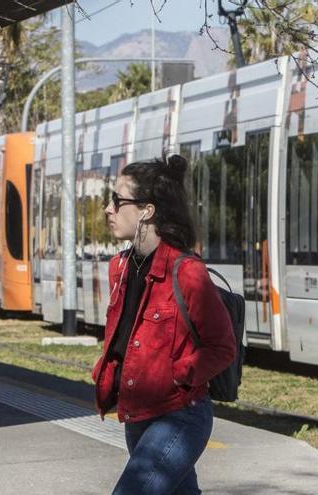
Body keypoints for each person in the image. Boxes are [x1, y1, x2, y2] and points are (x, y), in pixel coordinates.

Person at [91, 153, 236, 495]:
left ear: (147, 210)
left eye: (118, 200)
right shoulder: (120, 268)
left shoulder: (186, 272)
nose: (108, 210)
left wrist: (177, 374)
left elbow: (222, 346)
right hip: (137, 414)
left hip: (180, 415)